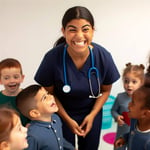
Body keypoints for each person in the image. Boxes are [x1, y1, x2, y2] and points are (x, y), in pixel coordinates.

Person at [34, 6, 120, 150]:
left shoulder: (102, 56)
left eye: (85, 29)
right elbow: (49, 94)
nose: (79, 36)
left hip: (91, 112)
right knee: (64, 147)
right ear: (64, 31)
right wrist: (67, 119)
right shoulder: (52, 58)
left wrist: (92, 115)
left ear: (93, 30)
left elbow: (105, 91)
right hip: (60, 113)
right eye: (72, 29)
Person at [16, 84, 74, 150]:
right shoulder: (32, 135)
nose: (51, 96)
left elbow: (60, 139)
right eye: (44, 98)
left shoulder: (56, 118)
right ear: (35, 113)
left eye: (48, 94)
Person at [114, 60, 150, 150]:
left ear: (145, 114)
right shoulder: (134, 121)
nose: (128, 105)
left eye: (132, 103)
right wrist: (124, 138)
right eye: (126, 81)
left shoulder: (148, 141)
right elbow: (131, 134)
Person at [0, 58, 29, 126]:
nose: (12, 81)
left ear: (22, 78)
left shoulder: (28, 96)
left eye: (15, 77)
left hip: (27, 134)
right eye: (6, 78)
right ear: (0, 80)